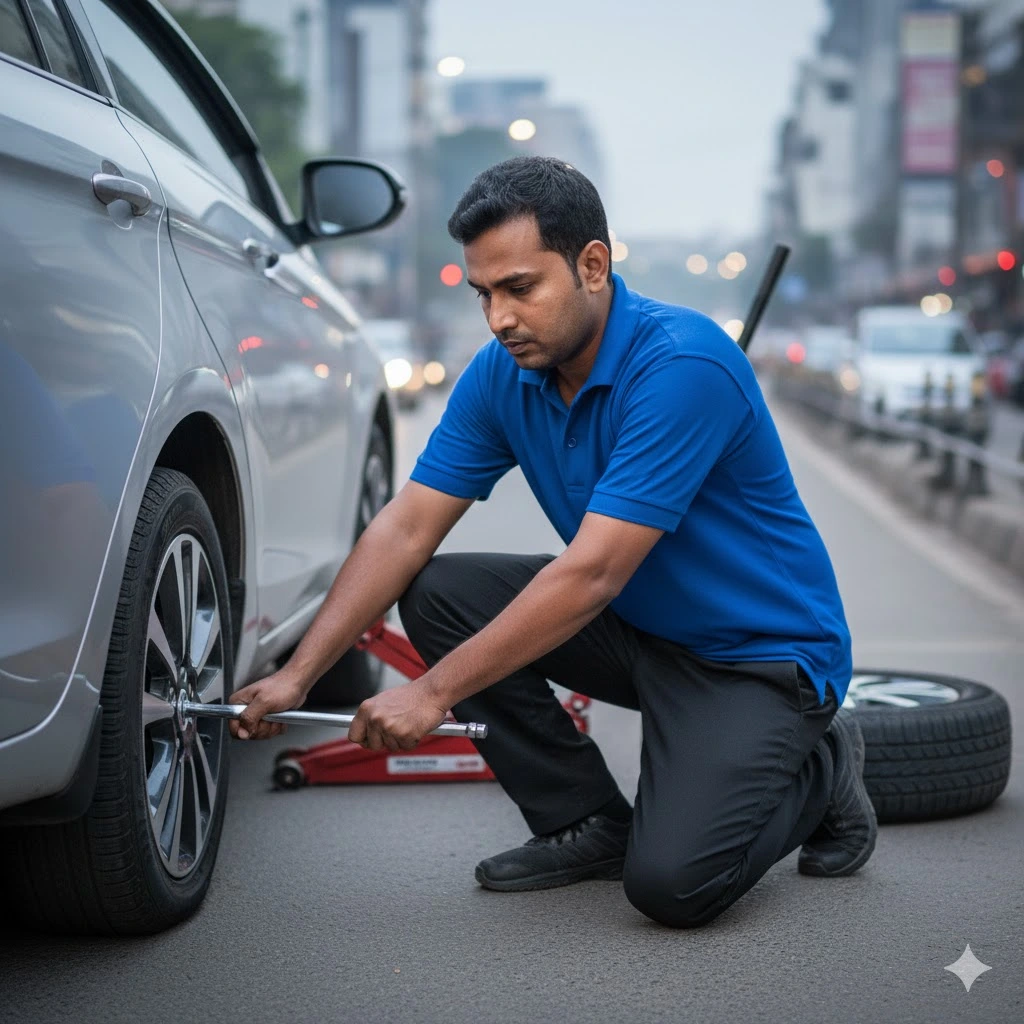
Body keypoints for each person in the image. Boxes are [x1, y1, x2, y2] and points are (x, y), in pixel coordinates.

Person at [229, 156, 876, 928]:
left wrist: (430, 694)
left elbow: (593, 573)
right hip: (641, 630)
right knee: (439, 591)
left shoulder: (682, 365)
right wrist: (298, 674)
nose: (498, 317)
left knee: (673, 886)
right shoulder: (504, 374)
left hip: (757, 661)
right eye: (483, 293)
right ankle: (587, 821)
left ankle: (828, 766)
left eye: (520, 288)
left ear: (593, 265)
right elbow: (406, 526)